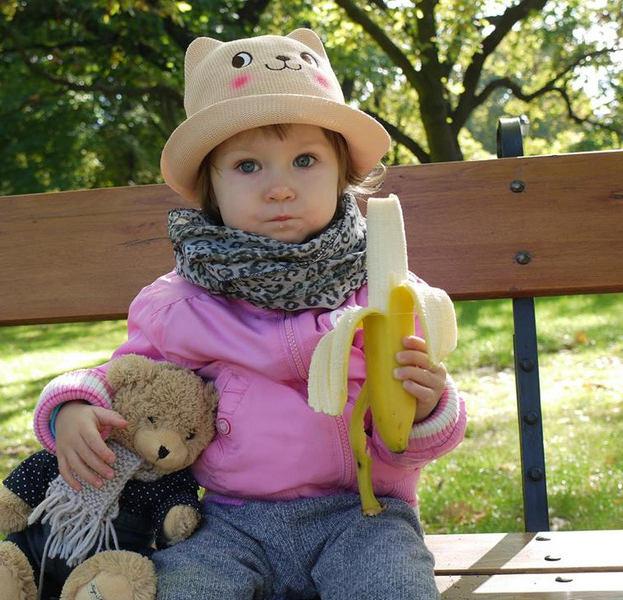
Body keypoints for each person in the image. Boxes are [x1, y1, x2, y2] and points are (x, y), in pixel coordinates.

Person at [33, 28, 466, 599]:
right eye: (247, 167)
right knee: (184, 589)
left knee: (392, 586)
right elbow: (126, 380)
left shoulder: (385, 293)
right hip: (229, 522)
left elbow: (409, 438)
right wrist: (70, 406)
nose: (280, 188)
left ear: (342, 174)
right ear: (210, 188)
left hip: (363, 515)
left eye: (304, 160)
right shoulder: (179, 302)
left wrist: (431, 406)